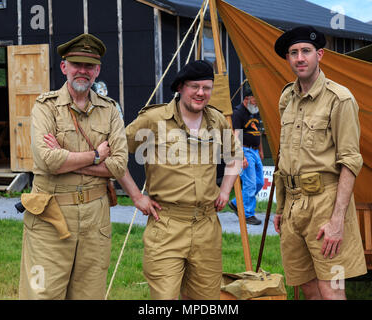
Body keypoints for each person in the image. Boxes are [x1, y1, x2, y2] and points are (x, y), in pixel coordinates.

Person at [117, 60, 242, 300]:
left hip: (206, 225)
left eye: (206, 88)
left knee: (205, 299)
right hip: (167, 224)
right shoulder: (154, 119)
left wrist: (225, 190)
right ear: (181, 87)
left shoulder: (216, 120)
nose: (201, 93)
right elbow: (116, 153)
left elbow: (235, 155)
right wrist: (136, 196)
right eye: (194, 86)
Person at [19, 33, 128, 299]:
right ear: (64, 67)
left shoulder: (110, 110)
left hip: (95, 219)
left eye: (89, 66)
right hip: (50, 217)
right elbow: (47, 160)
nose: (83, 71)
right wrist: (95, 156)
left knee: (88, 294)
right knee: (41, 293)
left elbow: (119, 165)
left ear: (97, 70)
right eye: (76, 64)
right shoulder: (45, 107)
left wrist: (66, 159)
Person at [272, 26, 367, 300]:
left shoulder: (340, 99)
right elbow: (284, 156)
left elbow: (350, 161)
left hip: (325, 203)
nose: (300, 58)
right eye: (293, 53)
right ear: (288, 59)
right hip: (292, 204)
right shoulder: (286, 98)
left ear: (319, 55)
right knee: (307, 287)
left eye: (306, 51)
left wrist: (337, 220)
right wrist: (280, 207)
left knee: (332, 289)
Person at [228, 82, 264, 225]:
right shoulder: (238, 113)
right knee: (250, 184)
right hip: (245, 150)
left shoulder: (254, 111)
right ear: (247, 99)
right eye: (255, 100)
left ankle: (237, 203)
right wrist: (240, 156)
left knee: (259, 182)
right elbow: (235, 136)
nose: (256, 103)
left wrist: (261, 150)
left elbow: (258, 132)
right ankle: (248, 214)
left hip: (255, 151)